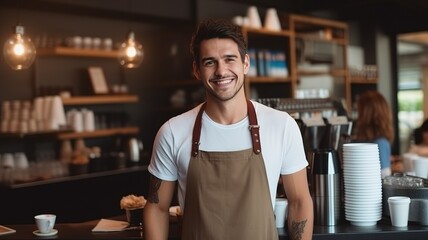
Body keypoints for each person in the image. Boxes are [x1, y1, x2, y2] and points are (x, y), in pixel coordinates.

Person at [143, 18, 313, 240]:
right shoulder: (173, 132)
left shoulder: (282, 126)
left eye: (229, 59)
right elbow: (157, 208)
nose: (221, 71)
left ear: (245, 63)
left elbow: (300, 201)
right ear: (196, 70)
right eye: (209, 62)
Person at [354, 90, 394, 178]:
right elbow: (385, 177)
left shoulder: (379, 143)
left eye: (359, 111)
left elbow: (384, 177)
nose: (357, 115)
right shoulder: (379, 143)